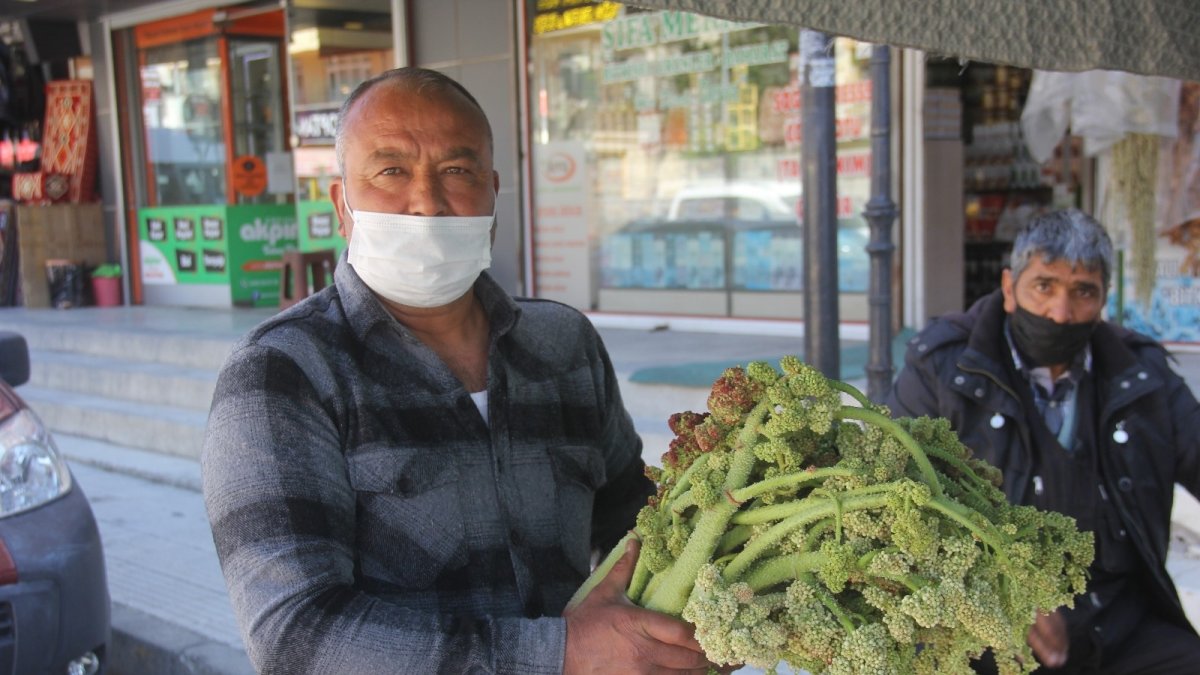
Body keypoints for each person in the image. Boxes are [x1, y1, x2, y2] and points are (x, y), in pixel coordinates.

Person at [202, 67, 714, 674]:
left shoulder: (564, 343)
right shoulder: (282, 373)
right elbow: (295, 637)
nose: (427, 202)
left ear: (493, 195)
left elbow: (639, 523)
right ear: (342, 204)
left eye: (457, 171)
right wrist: (560, 655)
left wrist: (700, 618)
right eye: (391, 170)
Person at [885, 209, 1200, 673]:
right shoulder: (942, 370)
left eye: (1083, 292)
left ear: (1104, 299)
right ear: (1010, 289)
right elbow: (890, 497)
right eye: (1044, 286)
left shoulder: (1144, 376)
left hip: (1118, 618)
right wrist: (998, 586)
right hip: (981, 624)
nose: (1061, 312)